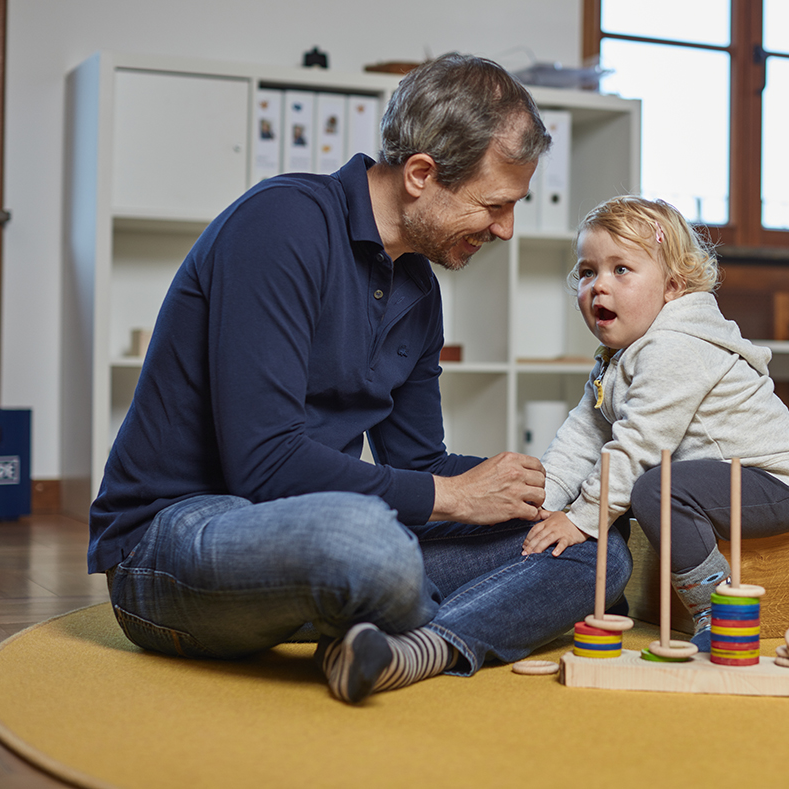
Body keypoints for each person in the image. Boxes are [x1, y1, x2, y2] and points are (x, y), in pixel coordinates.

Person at [86, 53, 633, 704]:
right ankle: (421, 604)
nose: (506, 229)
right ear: (422, 175)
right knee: (369, 545)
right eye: (495, 204)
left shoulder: (418, 289)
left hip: (318, 527)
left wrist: (552, 498)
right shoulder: (280, 225)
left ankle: (416, 648)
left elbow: (420, 462)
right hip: (176, 538)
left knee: (599, 549)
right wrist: (457, 497)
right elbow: (262, 464)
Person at [522, 196, 789, 650]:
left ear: (673, 287)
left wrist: (579, 519)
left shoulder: (674, 348)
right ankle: (605, 600)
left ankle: (716, 610)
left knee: (650, 488)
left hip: (773, 485)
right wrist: (543, 502)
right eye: (587, 271)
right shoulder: (615, 360)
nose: (599, 285)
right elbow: (582, 436)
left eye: (621, 270)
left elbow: (640, 443)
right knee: (616, 488)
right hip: (710, 482)